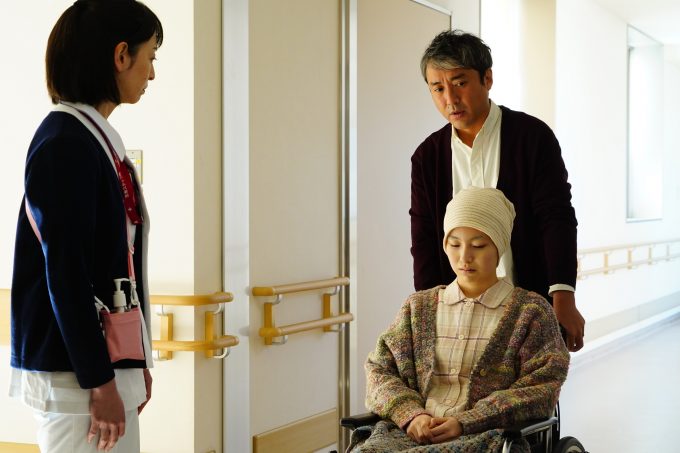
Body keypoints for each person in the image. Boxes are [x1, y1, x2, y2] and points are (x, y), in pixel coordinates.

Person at [9, 1, 162, 451]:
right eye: (150, 56)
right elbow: (66, 272)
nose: (152, 74)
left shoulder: (92, 141)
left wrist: (134, 361)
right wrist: (100, 380)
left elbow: (114, 264)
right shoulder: (66, 143)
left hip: (100, 368)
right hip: (79, 378)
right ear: (121, 55)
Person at [350, 187, 570, 453]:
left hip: (486, 437)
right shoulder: (417, 308)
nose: (464, 257)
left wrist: (467, 421)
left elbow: (542, 386)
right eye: (454, 244)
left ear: (499, 246)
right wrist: (411, 414)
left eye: (478, 245)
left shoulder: (531, 312)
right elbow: (380, 370)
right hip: (410, 433)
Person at [410, 30, 585, 351]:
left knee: (536, 383)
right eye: (438, 88)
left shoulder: (532, 137)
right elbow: (424, 240)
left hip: (528, 306)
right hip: (457, 319)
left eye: (460, 83)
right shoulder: (427, 157)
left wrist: (563, 294)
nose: (450, 99)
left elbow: (556, 217)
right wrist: (426, 312)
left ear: (487, 78)